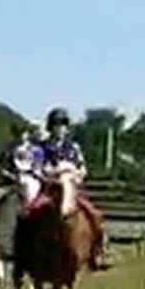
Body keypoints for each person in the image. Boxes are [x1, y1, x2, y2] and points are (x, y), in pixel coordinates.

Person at [39, 107, 113, 271]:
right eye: (56, 125)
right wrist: (52, 173)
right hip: (49, 188)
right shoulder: (42, 147)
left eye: (63, 125)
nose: (60, 129)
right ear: (50, 127)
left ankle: (100, 251)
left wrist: (77, 174)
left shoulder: (73, 147)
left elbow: (82, 168)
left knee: (95, 215)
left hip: (72, 188)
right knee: (29, 212)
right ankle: (20, 248)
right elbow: (38, 168)